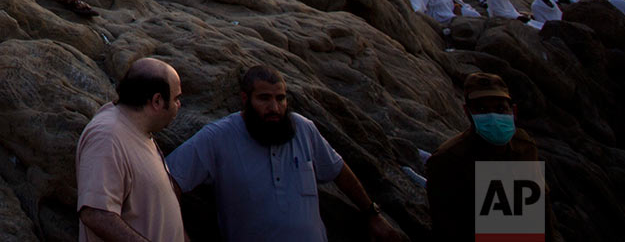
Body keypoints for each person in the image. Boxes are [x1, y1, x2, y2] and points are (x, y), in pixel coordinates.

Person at [166, 65, 402, 242]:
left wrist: (372, 214)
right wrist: (179, 234)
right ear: (245, 99)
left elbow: (338, 169)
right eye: (264, 98)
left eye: (280, 98)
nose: (275, 108)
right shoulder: (217, 137)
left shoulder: (303, 129)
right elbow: (168, 180)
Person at [425, 72, 553, 240]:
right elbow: (448, 230)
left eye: (500, 108)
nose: (492, 116)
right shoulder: (448, 160)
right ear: (467, 111)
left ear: (513, 110)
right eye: (482, 109)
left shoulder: (523, 147)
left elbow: (539, 213)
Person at [76, 59, 185, 242]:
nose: (179, 105)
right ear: (157, 101)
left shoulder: (136, 130)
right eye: (176, 99)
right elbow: (95, 214)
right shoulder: (107, 136)